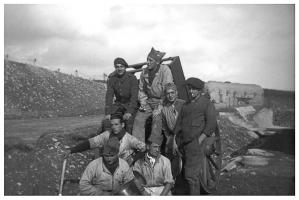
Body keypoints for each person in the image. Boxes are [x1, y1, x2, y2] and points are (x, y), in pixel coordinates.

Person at [174, 77, 217, 195]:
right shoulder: (186, 106)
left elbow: (211, 124)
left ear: (199, 90)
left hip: (196, 143)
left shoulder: (206, 104)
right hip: (184, 144)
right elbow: (178, 125)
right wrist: (174, 140)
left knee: (190, 175)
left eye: (194, 89)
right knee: (188, 175)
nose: (191, 91)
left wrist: (201, 139)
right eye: (190, 89)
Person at [64, 113, 146, 166]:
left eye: (116, 124)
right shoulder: (107, 134)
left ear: (123, 125)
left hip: (123, 170)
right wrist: (72, 150)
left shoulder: (129, 139)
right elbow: (90, 143)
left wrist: (133, 159)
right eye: (112, 125)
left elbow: (144, 148)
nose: (114, 127)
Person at [132, 47, 174, 144]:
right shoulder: (144, 72)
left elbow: (168, 90)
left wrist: (160, 106)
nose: (148, 62)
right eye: (147, 60)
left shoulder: (165, 70)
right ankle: (139, 145)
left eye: (150, 60)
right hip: (149, 101)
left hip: (163, 101)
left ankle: (154, 146)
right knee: (139, 118)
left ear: (157, 62)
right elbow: (141, 89)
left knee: (157, 118)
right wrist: (142, 102)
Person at [103, 57, 139, 134]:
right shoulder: (112, 79)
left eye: (121, 66)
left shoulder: (132, 78)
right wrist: (108, 112)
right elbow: (109, 96)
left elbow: (134, 97)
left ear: (125, 67)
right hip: (118, 105)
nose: (119, 69)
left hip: (130, 105)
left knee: (128, 121)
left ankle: (128, 141)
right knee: (107, 121)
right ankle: (109, 141)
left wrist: (129, 112)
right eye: (117, 67)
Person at [161, 82, 185, 157]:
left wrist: (175, 140)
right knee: (169, 151)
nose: (170, 95)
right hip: (173, 136)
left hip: (185, 135)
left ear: (176, 93)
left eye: (172, 92)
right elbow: (165, 128)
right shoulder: (164, 109)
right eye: (168, 93)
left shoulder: (184, 104)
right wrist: (169, 139)